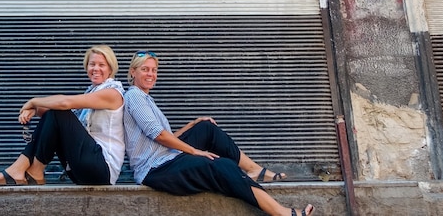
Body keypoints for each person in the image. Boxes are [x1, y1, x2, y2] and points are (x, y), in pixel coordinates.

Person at [123, 50, 314, 216]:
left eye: (154, 70)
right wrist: (194, 151)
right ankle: (280, 212)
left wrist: (193, 123)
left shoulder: (146, 98)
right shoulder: (134, 96)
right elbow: (159, 136)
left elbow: (165, 136)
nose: (151, 74)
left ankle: (254, 169)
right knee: (221, 165)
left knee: (206, 128)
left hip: (165, 157)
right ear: (133, 72)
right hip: (155, 170)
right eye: (145, 69)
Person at [0, 45, 125, 185]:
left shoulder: (113, 93)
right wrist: (35, 109)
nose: (96, 69)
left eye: (102, 65)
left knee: (59, 110)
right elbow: (55, 119)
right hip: (80, 169)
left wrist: (33, 101)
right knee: (54, 112)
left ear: (110, 69)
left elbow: (64, 103)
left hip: (102, 169)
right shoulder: (91, 93)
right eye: (92, 64)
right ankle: (23, 169)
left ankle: (32, 170)